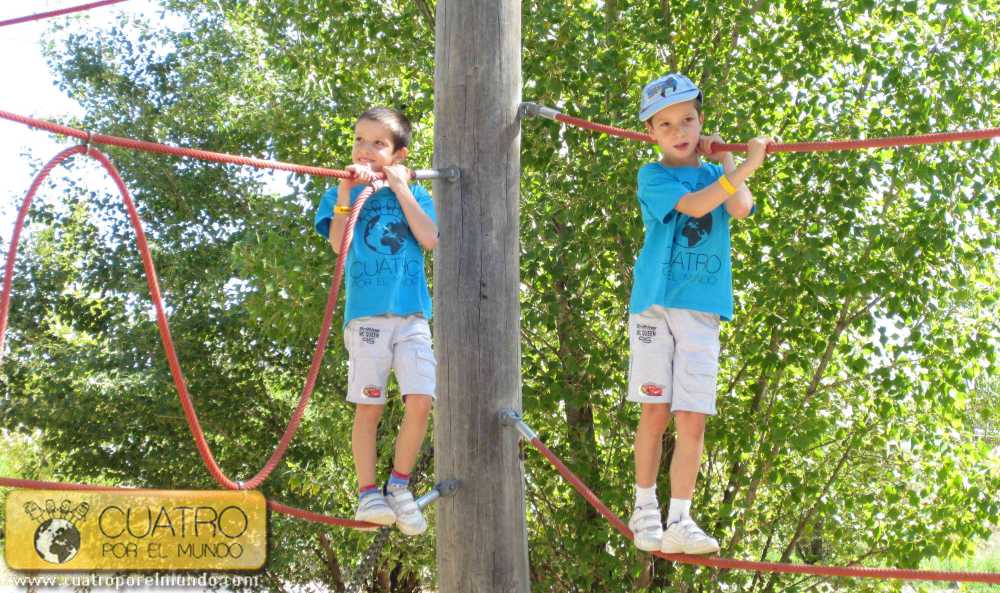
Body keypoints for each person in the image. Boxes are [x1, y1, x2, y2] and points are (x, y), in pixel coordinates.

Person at [626, 73, 771, 554]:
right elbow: (695, 207)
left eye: (687, 119)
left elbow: (742, 207)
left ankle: (680, 519)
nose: (679, 130)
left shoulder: (716, 172)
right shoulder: (654, 176)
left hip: (702, 311)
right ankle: (644, 507)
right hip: (655, 307)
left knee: (692, 419)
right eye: (666, 124)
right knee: (656, 411)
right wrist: (747, 163)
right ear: (652, 132)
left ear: (700, 121)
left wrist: (727, 157)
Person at [314, 107, 438, 536]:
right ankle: (368, 491)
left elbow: (430, 237)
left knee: (421, 399)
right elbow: (338, 244)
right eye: (359, 141)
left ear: (398, 154)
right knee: (370, 405)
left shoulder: (414, 194)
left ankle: (398, 485)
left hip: (411, 315)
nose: (365, 150)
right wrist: (346, 191)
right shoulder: (341, 193)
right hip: (367, 316)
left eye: (377, 144)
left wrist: (401, 188)